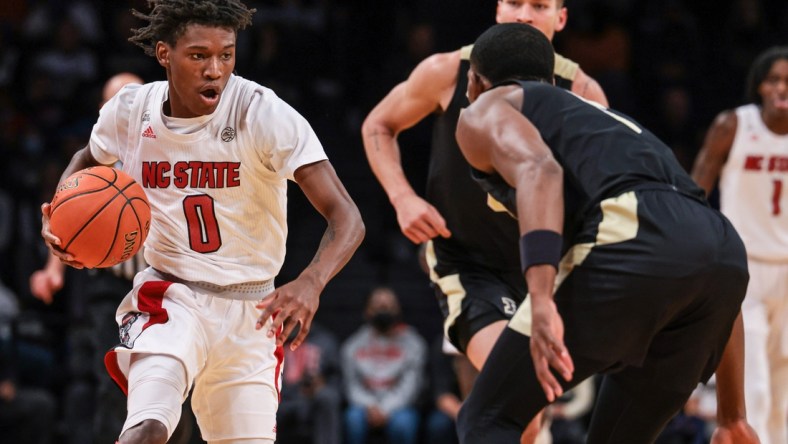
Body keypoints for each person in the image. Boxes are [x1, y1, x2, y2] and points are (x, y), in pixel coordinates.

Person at [38, 1, 365, 443]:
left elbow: (347, 217)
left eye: (226, 54)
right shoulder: (131, 111)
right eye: (198, 55)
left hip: (252, 309)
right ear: (164, 54)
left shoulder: (262, 113)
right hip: (171, 295)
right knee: (150, 427)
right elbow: (86, 159)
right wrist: (61, 213)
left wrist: (312, 281)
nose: (215, 69)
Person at [452, 23, 758, 444]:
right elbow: (703, 253)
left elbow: (540, 170)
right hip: (722, 252)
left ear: (474, 81)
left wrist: (540, 298)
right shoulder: (605, 120)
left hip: (636, 238)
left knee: (487, 419)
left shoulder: (486, 107)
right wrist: (731, 416)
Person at [30, 72, 198, 444]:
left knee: (175, 385)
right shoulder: (97, 161)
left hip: (168, 282)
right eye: (115, 99)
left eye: (132, 96)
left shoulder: (170, 149)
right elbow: (70, 226)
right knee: (115, 383)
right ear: (103, 109)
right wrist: (52, 268)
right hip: (111, 285)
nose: (126, 103)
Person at [690, 46, 788, 444]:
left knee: (784, 381)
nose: (782, 87)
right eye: (775, 79)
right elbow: (695, 191)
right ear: (760, 86)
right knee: (755, 386)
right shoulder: (734, 125)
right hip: (743, 267)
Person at [340, 286, 427, 444]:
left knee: (403, 424)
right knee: (352, 419)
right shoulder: (352, 345)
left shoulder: (414, 343)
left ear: (398, 310)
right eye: (378, 306)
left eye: (388, 306)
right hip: (363, 407)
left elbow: (411, 386)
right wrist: (371, 407)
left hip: (400, 407)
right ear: (367, 311)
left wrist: (385, 409)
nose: (384, 311)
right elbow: (351, 385)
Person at [276, 322, 342, 444]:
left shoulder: (325, 340)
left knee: (328, 397)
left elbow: (336, 379)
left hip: (314, 399)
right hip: (283, 399)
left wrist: (321, 385)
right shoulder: (274, 339)